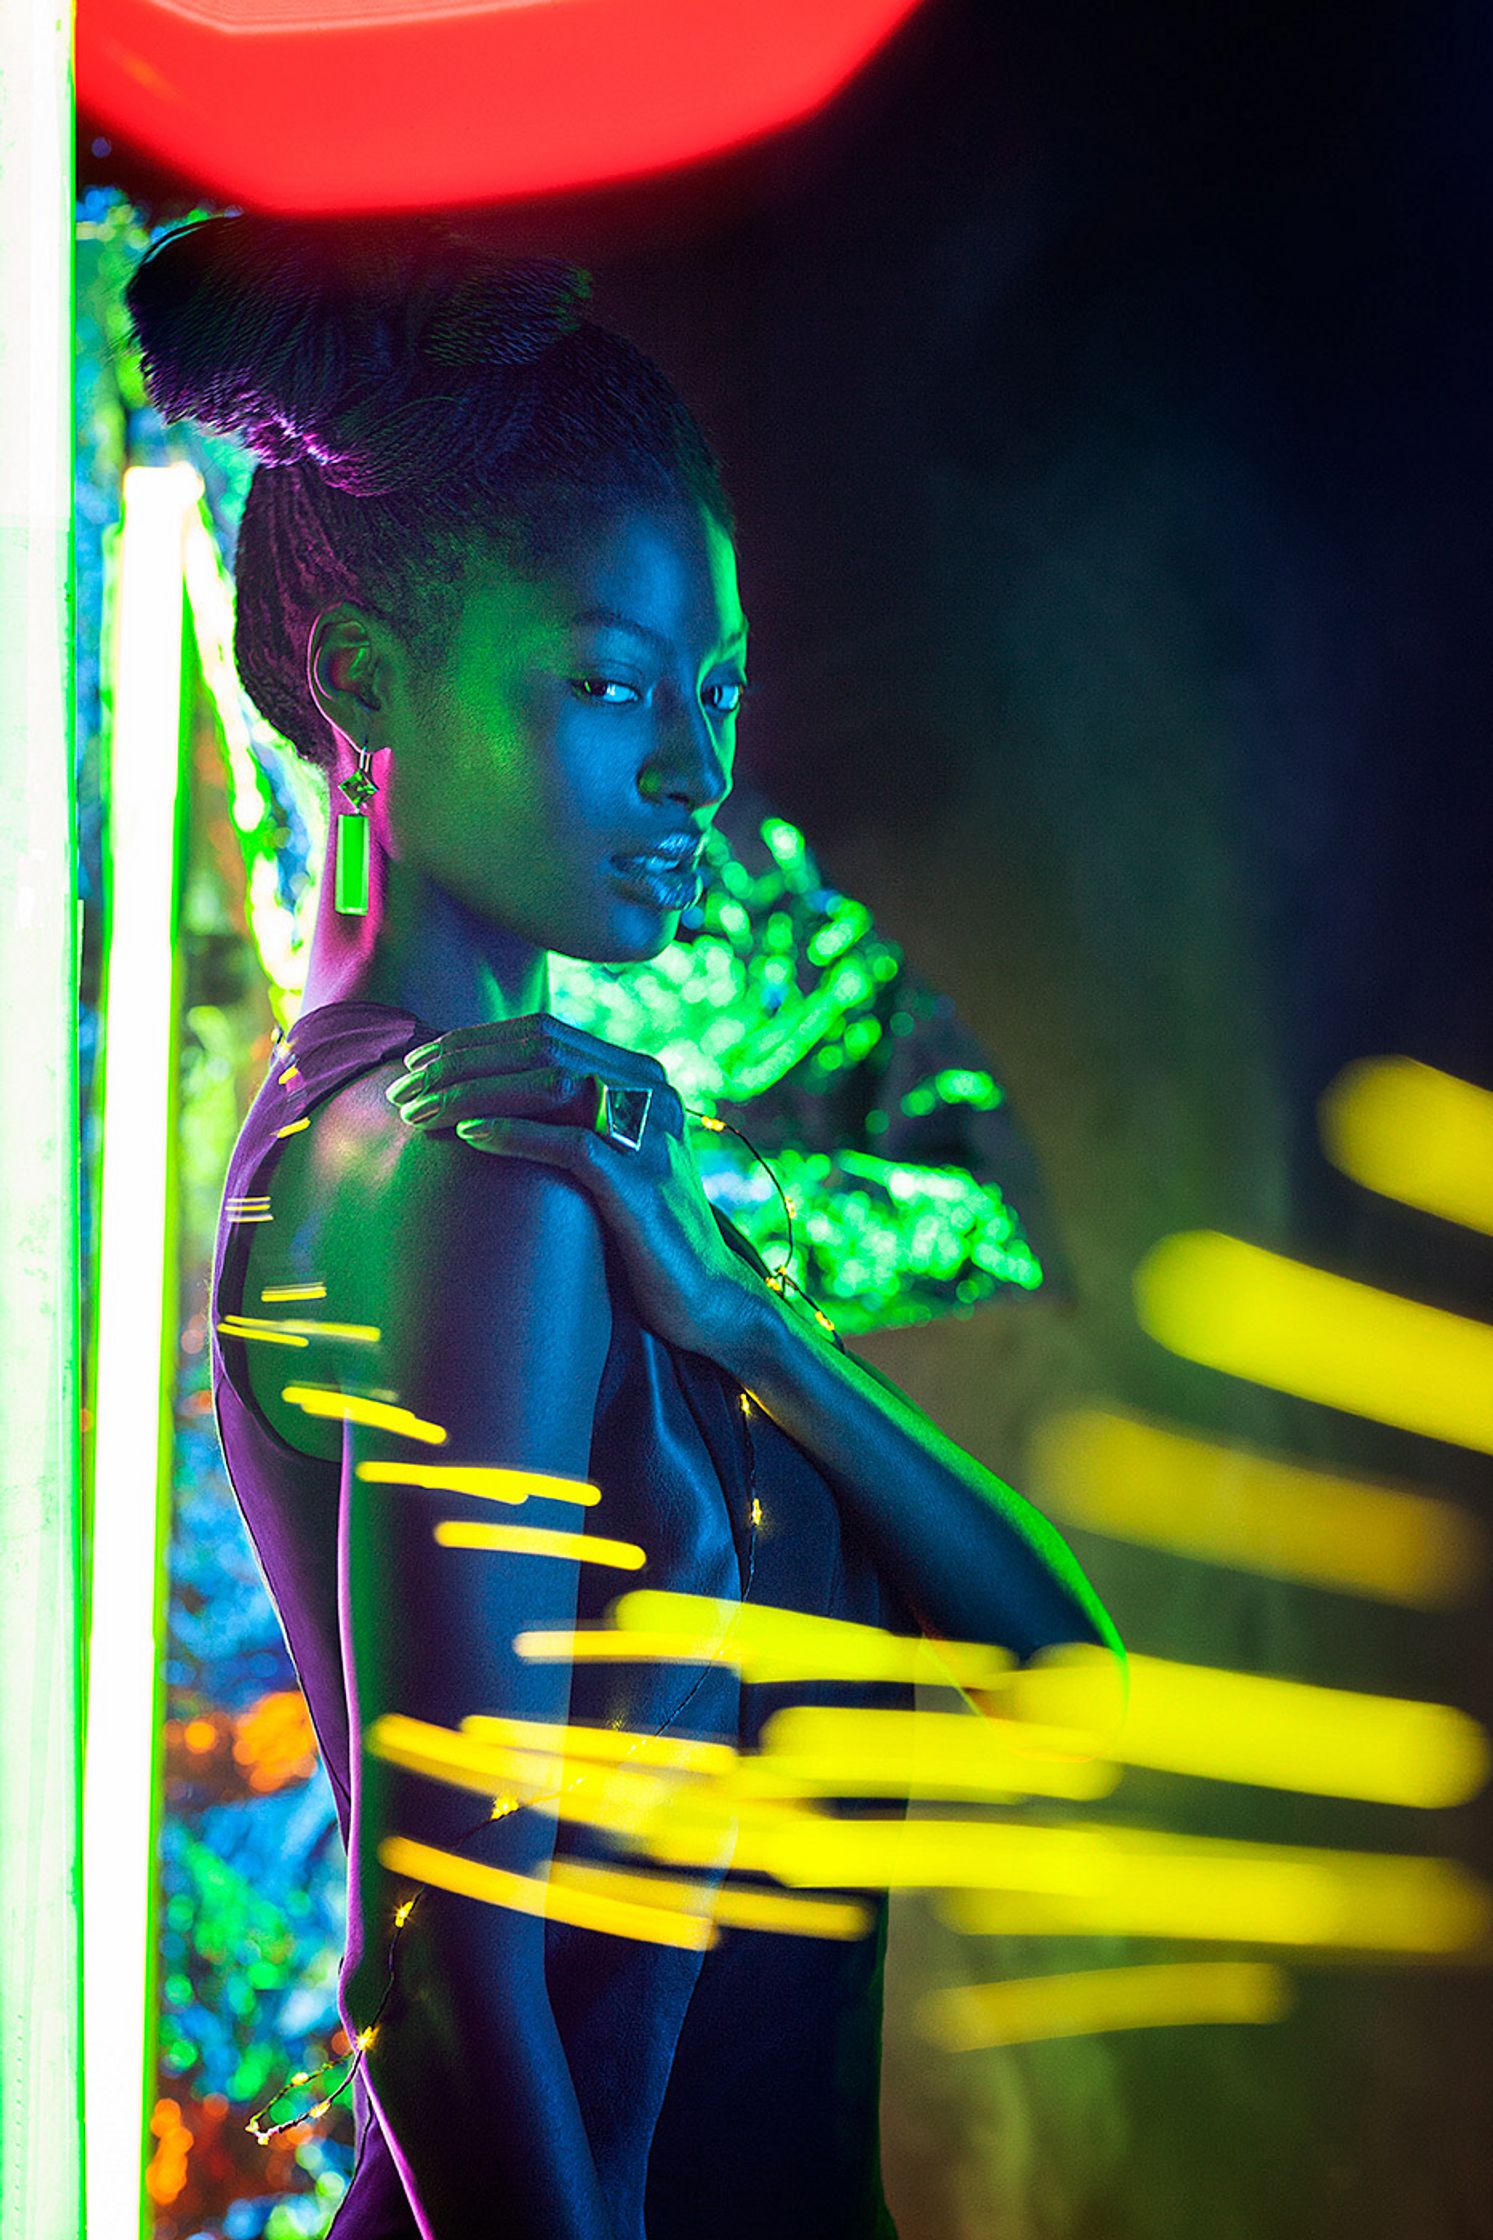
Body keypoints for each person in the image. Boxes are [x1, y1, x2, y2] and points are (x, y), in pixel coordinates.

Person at [125, 214, 1124, 2240]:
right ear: (362, 679)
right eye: (607, 682)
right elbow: (433, 1973)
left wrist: (748, 1324)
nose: (693, 768)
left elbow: (1066, 1675)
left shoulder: (580, 1162)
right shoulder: (476, 1175)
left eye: (719, 686)